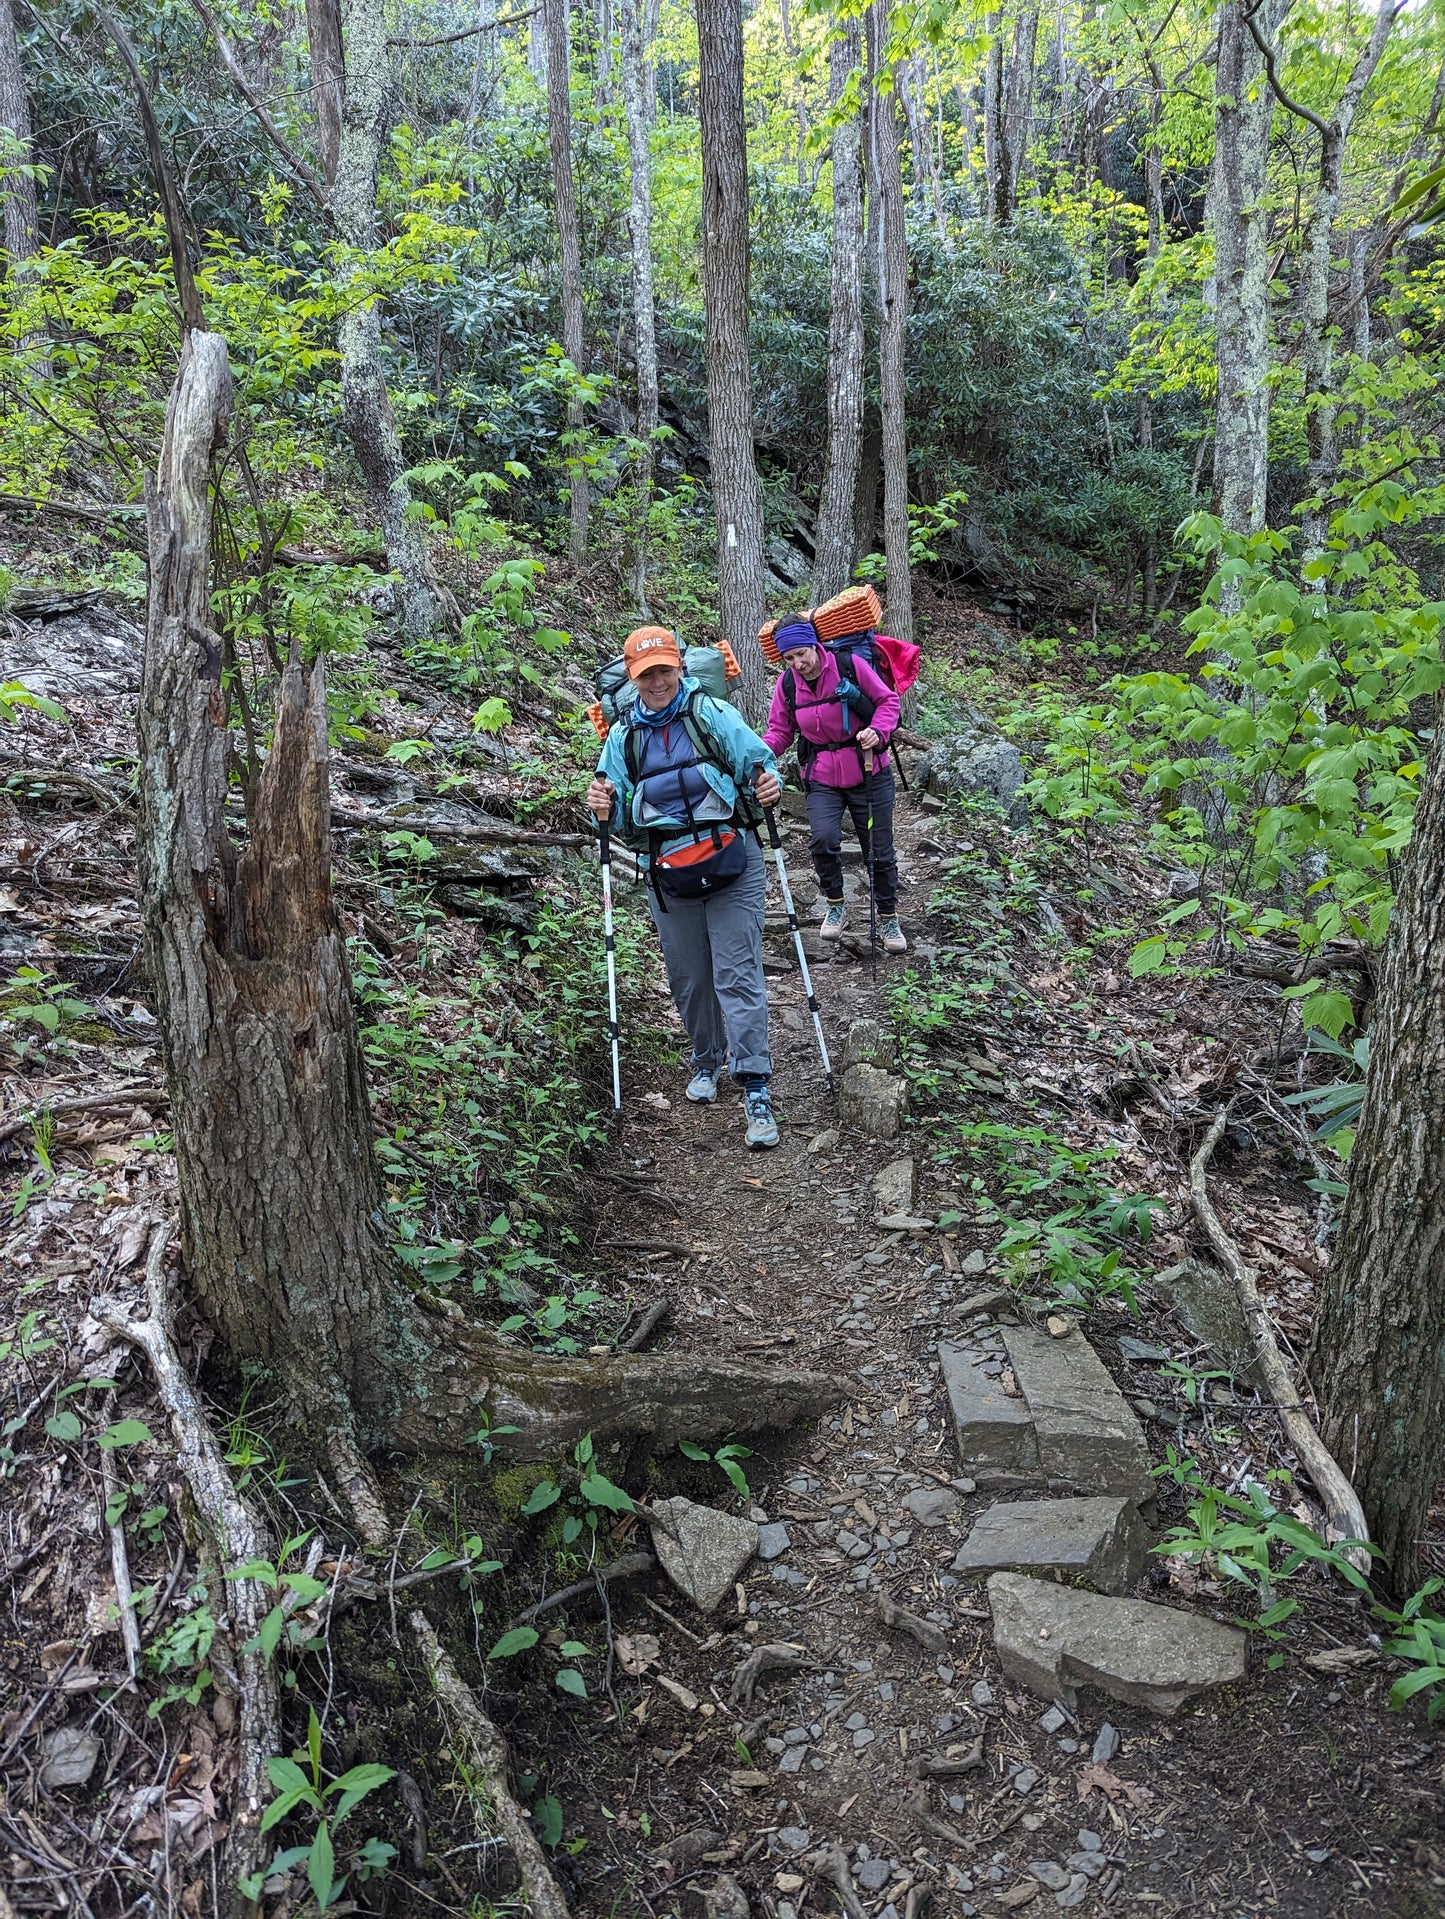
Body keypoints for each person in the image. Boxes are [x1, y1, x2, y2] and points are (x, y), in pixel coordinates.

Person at [587, 626, 784, 1149]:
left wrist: (770, 782)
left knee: (735, 975)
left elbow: (760, 764)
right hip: (668, 870)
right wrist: (600, 807)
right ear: (633, 680)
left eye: (664, 671)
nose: (657, 682)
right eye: (645, 674)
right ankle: (707, 1058)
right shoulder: (623, 738)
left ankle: (755, 1085)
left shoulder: (711, 715)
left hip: (731, 861)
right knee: (691, 979)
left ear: (680, 669)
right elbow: (611, 808)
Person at [762, 616, 907, 953]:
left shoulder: (849, 664)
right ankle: (836, 905)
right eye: (789, 658)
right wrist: (757, 752)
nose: (798, 663)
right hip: (822, 775)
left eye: (802, 653)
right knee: (823, 840)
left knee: (879, 851)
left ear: (815, 646)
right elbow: (780, 731)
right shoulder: (787, 685)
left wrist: (879, 731)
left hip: (868, 770)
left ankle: (888, 917)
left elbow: (888, 702)